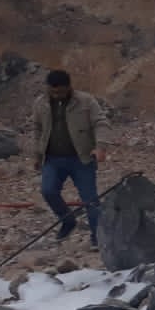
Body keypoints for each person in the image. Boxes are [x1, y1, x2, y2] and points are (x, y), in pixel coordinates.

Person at [30, 69, 107, 246]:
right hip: (52, 159)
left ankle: (99, 237)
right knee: (48, 191)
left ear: (69, 87)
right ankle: (68, 221)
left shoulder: (86, 101)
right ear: (48, 88)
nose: (57, 95)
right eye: (53, 91)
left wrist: (100, 147)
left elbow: (100, 123)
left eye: (61, 92)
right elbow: (37, 129)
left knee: (90, 199)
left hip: (81, 159)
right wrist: (37, 155)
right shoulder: (40, 104)